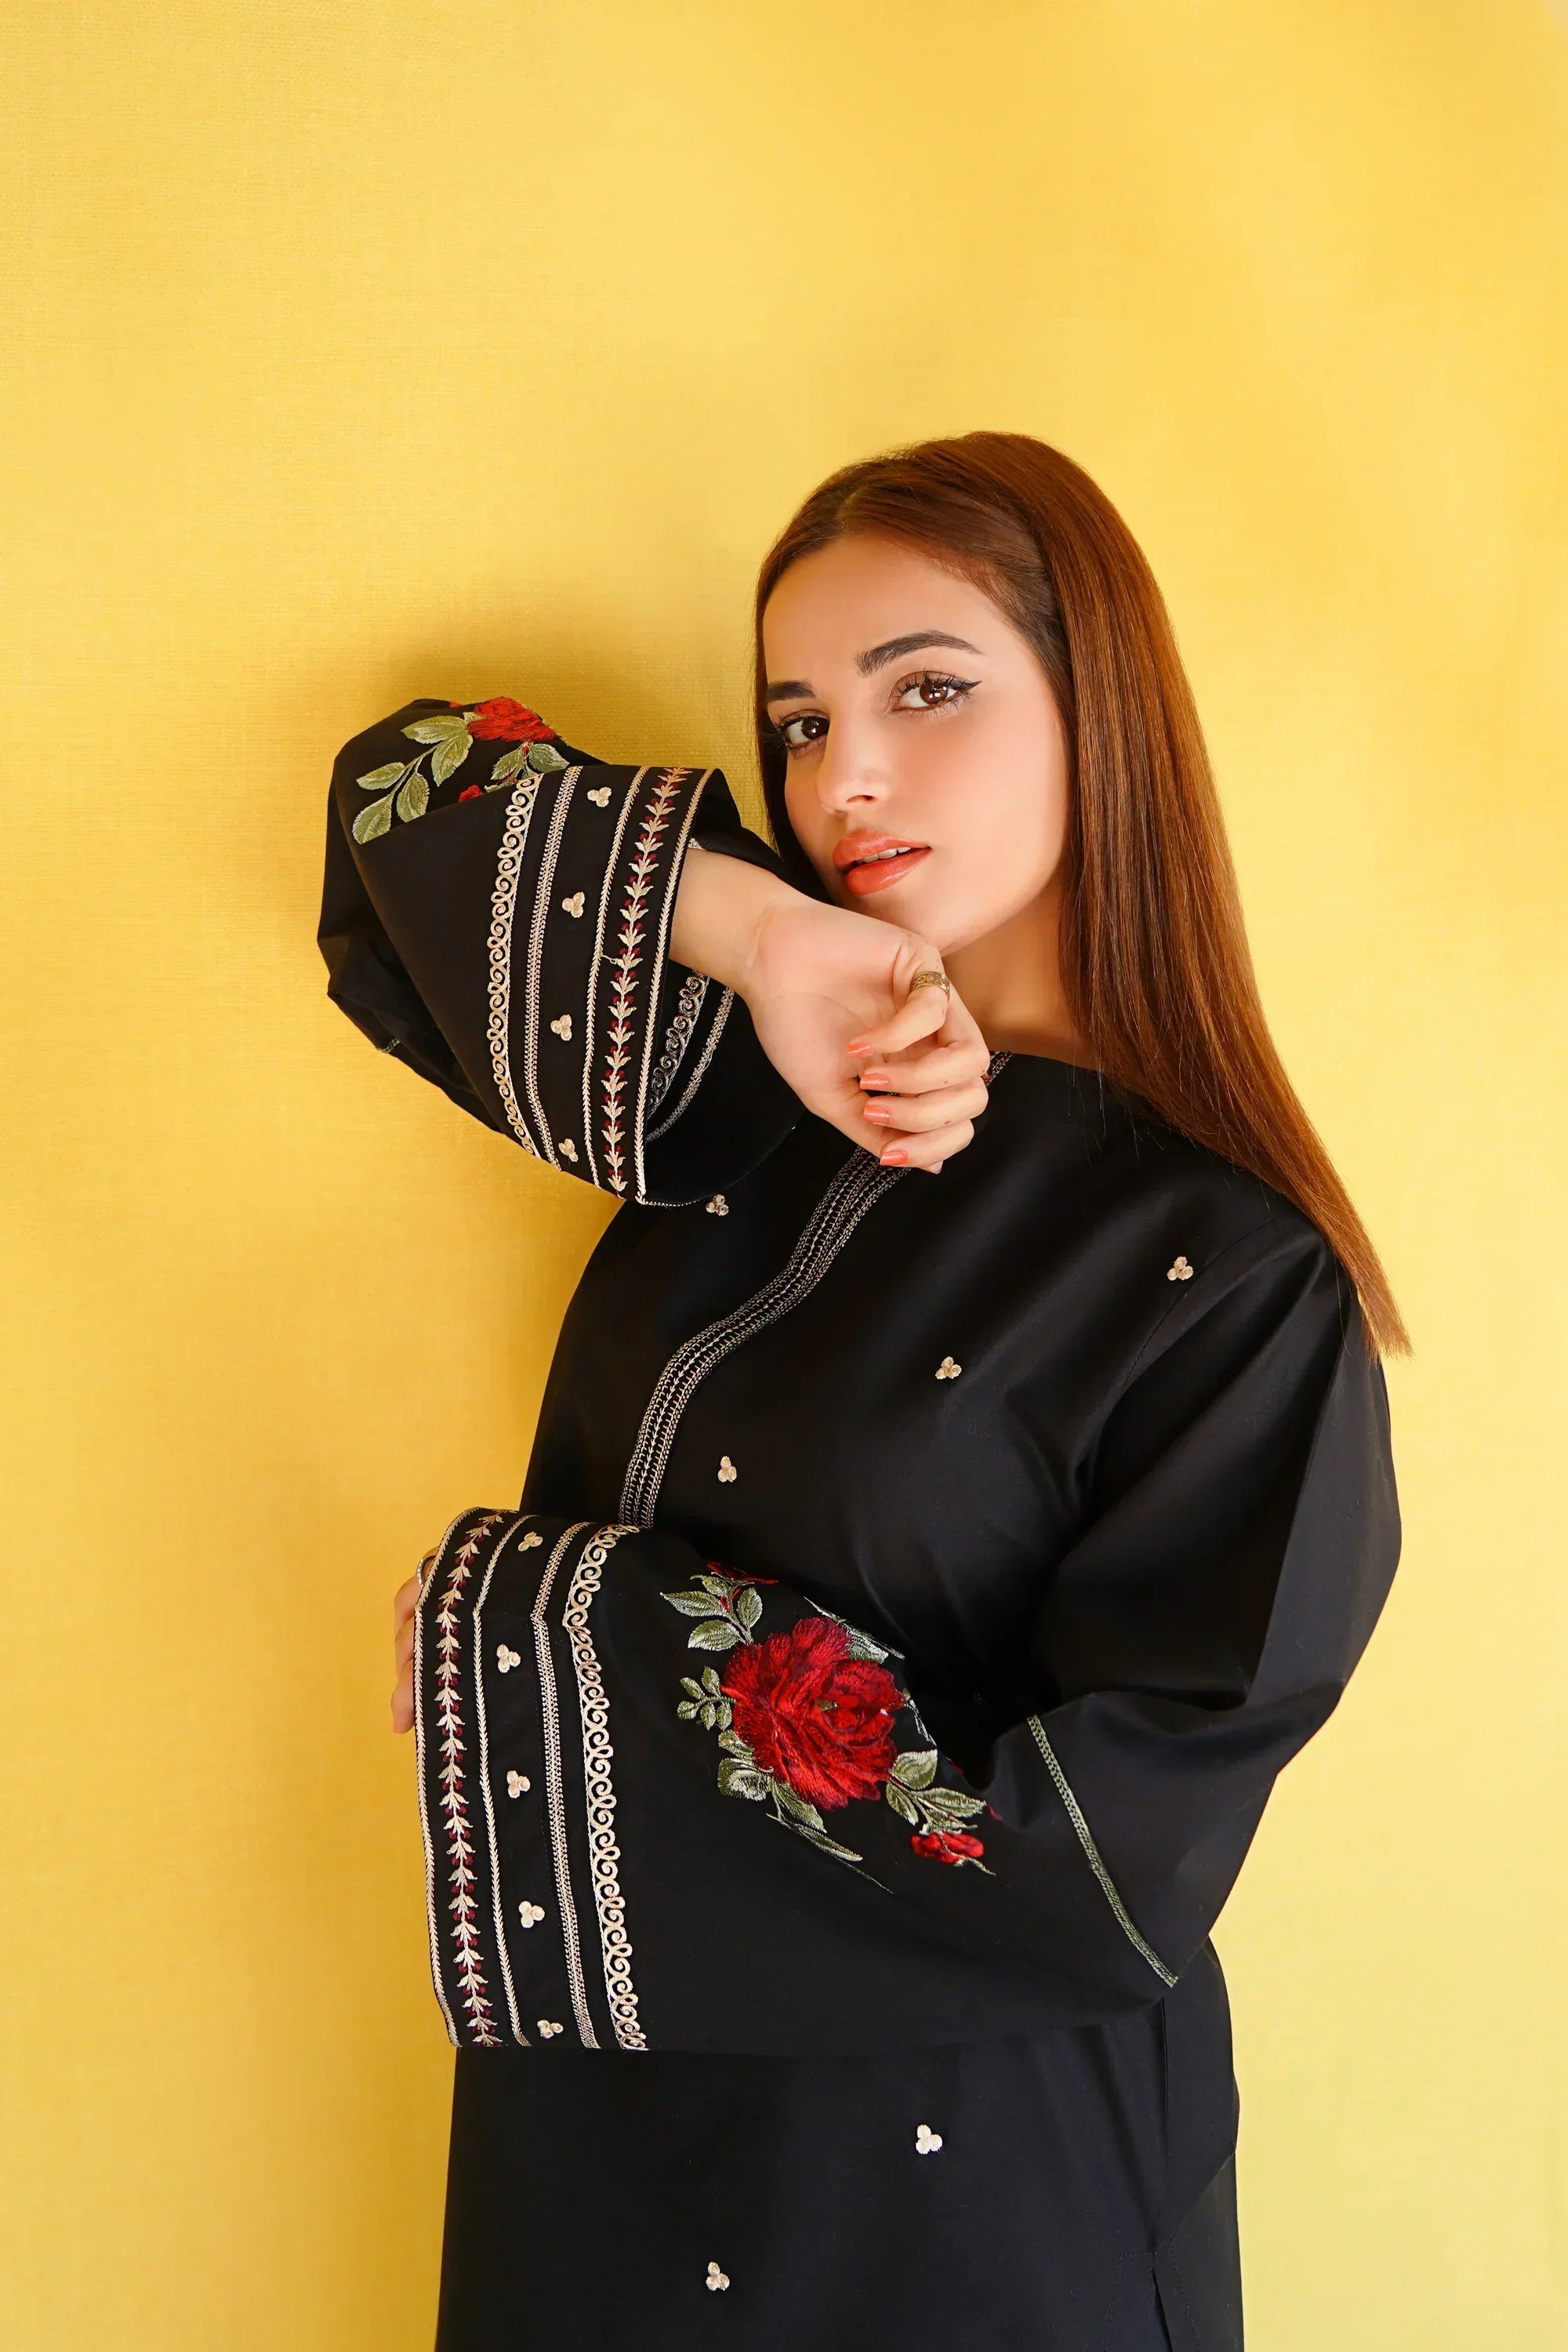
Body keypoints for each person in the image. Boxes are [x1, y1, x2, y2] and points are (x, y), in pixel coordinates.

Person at [317, 430, 1403, 2352]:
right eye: (800, 723)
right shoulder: (740, 1089)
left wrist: (547, 1640)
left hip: (962, 2202)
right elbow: (406, 790)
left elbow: (1094, 1869)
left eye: (928, 690)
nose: (846, 779)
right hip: (606, 2131)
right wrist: (763, 936)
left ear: (1101, 708)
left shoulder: (1225, 1278)